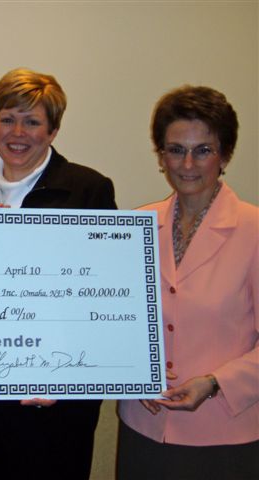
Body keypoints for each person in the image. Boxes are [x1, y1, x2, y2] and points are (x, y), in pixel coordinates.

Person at [0, 68, 117, 479]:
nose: (18, 132)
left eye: (32, 121)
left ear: (53, 131)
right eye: (7, 118)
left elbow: (101, 297)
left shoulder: (88, 190)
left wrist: (65, 377)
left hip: (54, 398)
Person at [117, 86, 259, 479]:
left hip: (224, 436)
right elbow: (114, 321)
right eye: (176, 149)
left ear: (225, 154)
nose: (188, 164)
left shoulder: (254, 230)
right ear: (161, 156)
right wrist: (129, 375)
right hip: (144, 426)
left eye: (203, 150)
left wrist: (215, 384)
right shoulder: (139, 225)